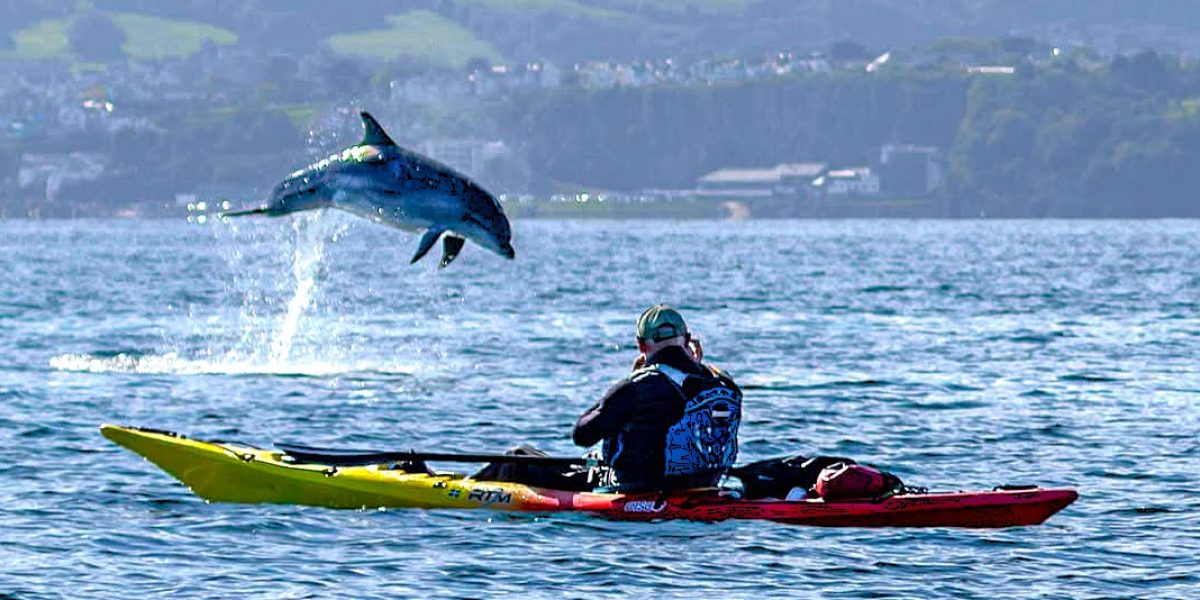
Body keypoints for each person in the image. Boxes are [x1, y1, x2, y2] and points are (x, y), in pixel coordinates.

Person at [572, 305, 743, 492]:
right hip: (707, 485)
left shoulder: (638, 386)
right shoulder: (721, 382)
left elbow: (582, 434)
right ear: (687, 340)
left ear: (641, 345)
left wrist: (629, 380)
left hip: (642, 491)